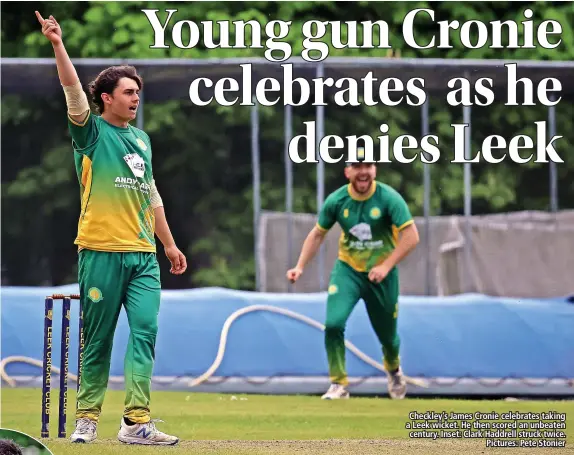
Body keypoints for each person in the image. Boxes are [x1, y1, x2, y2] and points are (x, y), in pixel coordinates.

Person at [36, 12, 186, 445]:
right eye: (128, 92)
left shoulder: (142, 140)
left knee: (146, 333)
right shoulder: (90, 133)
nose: (136, 98)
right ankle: (86, 418)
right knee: (98, 340)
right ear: (104, 98)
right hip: (100, 251)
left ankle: (136, 422)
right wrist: (58, 45)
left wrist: (170, 245)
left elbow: (150, 194)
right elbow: (71, 91)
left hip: (143, 256)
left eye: (138, 92)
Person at [286, 149, 419, 400]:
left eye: (368, 165)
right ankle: (339, 384)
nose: (363, 172)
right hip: (348, 270)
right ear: (347, 171)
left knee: (388, 337)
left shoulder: (389, 198)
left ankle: (393, 370)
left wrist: (386, 266)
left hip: (382, 275)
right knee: (334, 323)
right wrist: (300, 266)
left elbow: (411, 236)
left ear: (375, 170)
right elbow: (317, 234)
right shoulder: (337, 201)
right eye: (358, 166)